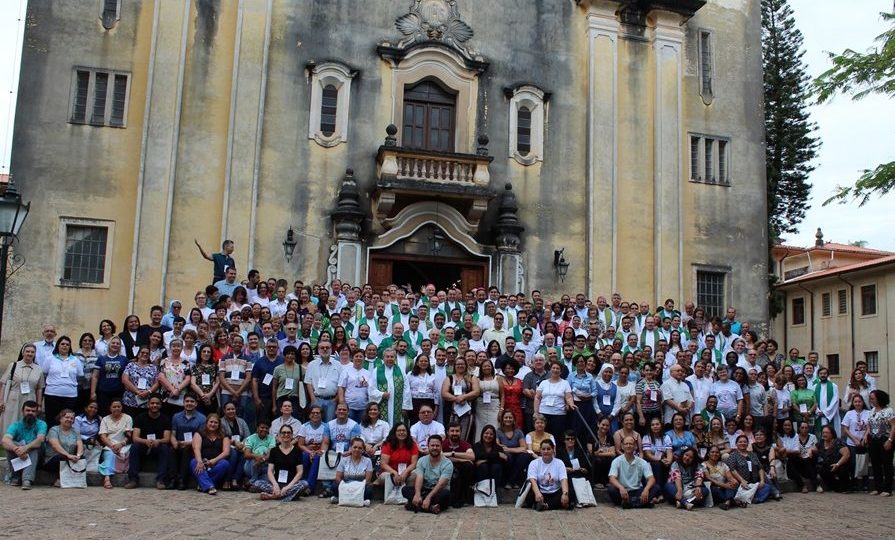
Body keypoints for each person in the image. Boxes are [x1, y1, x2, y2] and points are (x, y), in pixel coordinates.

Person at [252, 423, 310, 501]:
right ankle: (285, 495)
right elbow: (270, 471)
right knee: (257, 483)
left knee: (304, 484)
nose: (286, 434)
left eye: (288, 432)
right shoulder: (274, 451)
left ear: (292, 435)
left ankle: (273, 496)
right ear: (279, 435)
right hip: (276, 484)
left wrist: (287, 487)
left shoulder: (297, 451)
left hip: (291, 485)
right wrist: (275, 485)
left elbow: (300, 472)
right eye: (283, 432)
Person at [127, 394, 172, 490]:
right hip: (144, 445)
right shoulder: (140, 417)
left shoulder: (166, 419)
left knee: (165, 448)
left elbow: (167, 439)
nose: (154, 405)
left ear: (161, 405)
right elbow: (135, 437)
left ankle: (161, 480)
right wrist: (145, 441)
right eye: (152, 403)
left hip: (157, 445)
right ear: (148, 404)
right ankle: (133, 479)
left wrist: (158, 441)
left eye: (157, 403)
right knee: (134, 447)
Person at [0, 344, 44, 438]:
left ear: (35, 354)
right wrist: (1, 400)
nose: (30, 353)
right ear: (23, 352)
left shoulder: (38, 369)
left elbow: (40, 388)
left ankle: (23, 440)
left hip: (30, 397)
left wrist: (39, 404)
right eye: (27, 351)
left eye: (32, 352)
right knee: (10, 419)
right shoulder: (13, 365)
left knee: (26, 419)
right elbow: (3, 383)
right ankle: (7, 439)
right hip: (13, 396)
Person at [402, 434, 453, 514]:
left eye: (437, 446)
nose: (435, 448)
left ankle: (414, 505)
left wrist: (428, 497)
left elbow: (441, 484)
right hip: (425, 490)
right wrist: (418, 494)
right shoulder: (422, 460)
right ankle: (431, 508)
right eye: (432, 445)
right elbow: (419, 478)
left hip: (438, 491)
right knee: (405, 490)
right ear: (428, 446)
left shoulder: (448, 463)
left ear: (441, 446)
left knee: (446, 494)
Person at [1, 400, 47, 490]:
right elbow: (5, 440)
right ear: (23, 411)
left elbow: (40, 440)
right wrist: (16, 449)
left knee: (34, 447)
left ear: (36, 413)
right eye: (28, 410)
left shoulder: (41, 424)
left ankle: (27, 479)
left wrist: (25, 448)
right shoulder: (16, 424)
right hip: (20, 453)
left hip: (38, 456)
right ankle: (16, 476)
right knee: (9, 444)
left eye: (33, 411)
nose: (30, 413)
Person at [41, 336, 84, 427]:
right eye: (62, 344)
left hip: (70, 395)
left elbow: (80, 375)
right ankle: (51, 439)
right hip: (52, 394)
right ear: (58, 346)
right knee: (52, 419)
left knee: (67, 420)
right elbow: (44, 372)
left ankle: (65, 440)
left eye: (67, 344)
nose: (65, 346)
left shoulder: (76, 360)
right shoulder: (50, 358)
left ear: (70, 347)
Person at [608, 435, 660, 508]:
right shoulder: (616, 461)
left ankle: (629, 503)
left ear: (635, 446)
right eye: (626, 444)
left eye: (631, 444)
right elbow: (612, 478)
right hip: (623, 492)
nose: (628, 446)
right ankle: (642, 503)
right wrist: (621, 488)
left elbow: (651, 478)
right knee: (611, 489)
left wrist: (646, 490)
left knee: (656, 487)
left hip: (638, 490)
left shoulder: (642, 462)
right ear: (622, 446)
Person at [170, 394, 207, 490]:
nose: (189, 403)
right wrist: (174, 442)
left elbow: (202, 437)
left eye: (192, 401)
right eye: (187, 401)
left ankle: (183, 480)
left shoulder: (202, 418)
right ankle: (173, 479)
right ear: (183, 403)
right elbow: (173, 433)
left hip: (193, 446)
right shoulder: (176, 416)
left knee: (186, 451)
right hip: (178, 444)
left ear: (196, 404)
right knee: (171, 450)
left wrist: (189, 443)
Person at [191, 413, 231, 495]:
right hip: (202, 461)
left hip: (216, 463)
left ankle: (204, 484)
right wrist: (199, 461)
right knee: (193, 462)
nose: (213, 424)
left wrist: (214, 461)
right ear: (206, 423)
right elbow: (196, 448)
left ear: (219, 425)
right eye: (211, 422)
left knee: (225, 464)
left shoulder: (224, 435)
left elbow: (226, 452)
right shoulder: (199, 433)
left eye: (216, 422)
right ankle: (210, 486)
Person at [525, 439, 571, 511]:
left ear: (553, 450)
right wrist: (537, 493)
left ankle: (545, 506)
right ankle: (550, 505)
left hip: (555, 492)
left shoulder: (559, 463)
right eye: (543, 449)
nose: (546, 451)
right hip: (540, 491)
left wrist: (565, 494)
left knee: (569, 492)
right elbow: (532, 480)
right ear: (540, 450)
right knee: (530, 495)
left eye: (548, 449)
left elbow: (563, 479)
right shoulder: (534, 463)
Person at [42, 408, 84, 487]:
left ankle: (74, 480)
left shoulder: (75, 431)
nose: (69, 419)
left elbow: (80, 444)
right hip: (53, 460)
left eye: (72, 418)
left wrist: (78, 456)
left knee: (82, 457)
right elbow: (55, 445)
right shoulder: (54, 430)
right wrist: (68, 455)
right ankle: (60, 479)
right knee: (61, 457)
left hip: (69, 459)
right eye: (67, 417)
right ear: (60, 419)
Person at [97, 399, 133, 489]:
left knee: (128, 453)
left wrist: (121, 444)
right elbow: (103, 436)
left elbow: (129, 434)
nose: (116, 408)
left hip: (124, 445)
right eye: (114, 407)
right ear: (110, 408)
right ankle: (107, 478)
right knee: (109, 455)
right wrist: (112, 446)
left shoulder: (127, 418)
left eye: (118, 406)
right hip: (110, 445)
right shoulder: (105, 419)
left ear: (122, 407)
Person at [441, 356, 478, 442]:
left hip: (467, 412)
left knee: (465, 436)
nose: (460, 366)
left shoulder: (472, 377)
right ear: (454, 366)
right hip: (453, 412)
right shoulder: (449, 378)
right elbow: (444, 393)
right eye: (458, 364)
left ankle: (463, 453)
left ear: (466, 365)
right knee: (452, 435)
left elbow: (476, 391)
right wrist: (456, 399)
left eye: (462, 364)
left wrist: (464, 397)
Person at [726, 434, 771, 504]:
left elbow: (760, 467)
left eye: (745, 442)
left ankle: (755, 499)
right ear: (736, 444)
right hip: (741, 484)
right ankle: (745, 498)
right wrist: (742, 480)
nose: (742, 443)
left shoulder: (752, 454)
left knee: (767, 487)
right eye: (740, 442)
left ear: (747, 443)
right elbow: (732, 469)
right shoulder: (733, 455)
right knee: (732, 487)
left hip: (753, 484)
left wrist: (762, 480)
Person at [534, 362, 575, 437]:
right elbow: (537, 397)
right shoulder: (543, 383)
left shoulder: (565, 383)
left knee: (557, 436)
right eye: (553, 368)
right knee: (543, 436)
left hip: (559, 414)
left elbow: (569, 397)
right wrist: (536, 412)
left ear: (561, 371)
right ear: (550, 369)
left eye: (557, 368)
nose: (555, 370)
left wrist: (571, 404)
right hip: (543, 413)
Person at [331, 436, 374, 506]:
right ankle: (357, 500)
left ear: (363, 450)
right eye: (355, 447)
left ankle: (341, 499)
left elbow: (368, 479)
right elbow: (338, 477)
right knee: (334, 485)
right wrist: (346, 486)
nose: (357, 450)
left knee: (369, 488)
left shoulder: (367, 461)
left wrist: (357, 487)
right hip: (346, 486)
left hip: (360, 487)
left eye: (360, 448)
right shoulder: (344, 460)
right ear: (351, 448)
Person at [297, 404, 330, 494]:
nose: (315, 414)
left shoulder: (326, 426)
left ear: (322, 415)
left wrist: (319, 452)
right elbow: (300, 444)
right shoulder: (304, 426)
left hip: (320, 451)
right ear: (309, 415)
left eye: (318, 413)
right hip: (307, 450)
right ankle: (301, 483)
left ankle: (309, 487)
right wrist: (310, 451)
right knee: (305, 456)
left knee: (317, 458)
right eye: (313, 413)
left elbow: (326, 442)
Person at [90, 336, 127, 416]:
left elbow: (126, 377)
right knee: (103, 413)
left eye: (118, 344)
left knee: (117, 413)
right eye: (113, 343)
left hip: (118, 392)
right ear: (109, 345)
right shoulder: (101, 359)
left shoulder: (124, 359)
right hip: (103, 392)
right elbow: (95, 376)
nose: (115, 345)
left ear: (120, 347)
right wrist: (93, 392)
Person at [867, 389, 895, 496]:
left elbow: (893, 426)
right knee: (875, 464)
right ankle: (878, 487)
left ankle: (887, 489)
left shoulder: (889, 411)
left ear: (879, 399)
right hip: (873, 440)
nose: (871, 400)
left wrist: (890, 440)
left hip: (885, 438)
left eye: (873, 398)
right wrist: (866, 435)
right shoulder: (872, 411)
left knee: (886, 464)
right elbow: (869, 425)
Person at [841, 394, 870, 490]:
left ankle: (865, 484)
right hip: (852, 443)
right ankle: (854, 483)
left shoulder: (868, 413)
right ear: (853, 403)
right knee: (853, 463)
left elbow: (869, 427)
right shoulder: (849, 413)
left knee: (864, 462)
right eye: (855, 402)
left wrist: (865, 437)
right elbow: (845, 428)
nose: (858, 403)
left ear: (863, 402)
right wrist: (854, 439)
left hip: (864, 442)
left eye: (859, 401)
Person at [496, 409, 531, 489]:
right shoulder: (498, 431)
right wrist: (512, 450)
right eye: (506, 417)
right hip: (506, 457)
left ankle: (510, 481)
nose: (508, 419)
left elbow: (524, 447)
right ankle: (513, 481)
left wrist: (509, 449)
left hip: (517, 457)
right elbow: (498, 446)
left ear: (514, 420)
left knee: (525, 456)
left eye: (510, 418)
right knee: (508, 456)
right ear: (502, 419)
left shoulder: (518, 432)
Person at [220, 400, 251, 489]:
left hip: (241, 446)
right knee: (233, 454)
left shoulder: (241, 421)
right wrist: (233, 442)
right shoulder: (221, 422)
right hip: (227, 445)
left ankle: (235, 479)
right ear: (224, 411)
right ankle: (227, 480)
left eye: (232, 409)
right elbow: (221, 436)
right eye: (228, 409)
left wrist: (242, 444)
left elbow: (248, 436)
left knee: (245, 454)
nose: (231, 411)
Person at [379, 422, 419, 490]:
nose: (401, 432)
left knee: (415, 475)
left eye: (403, 430)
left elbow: (414, 463)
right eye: (399, 430)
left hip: (407, 472)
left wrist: (405, 472)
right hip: (391, 472)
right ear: (394, 432)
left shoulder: (412, 444)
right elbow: (383, 464)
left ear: (407, 432)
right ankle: (393, 496)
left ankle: (408, 495)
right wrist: (394, 473)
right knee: (384, 477)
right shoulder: (387, 444)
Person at [121, 346, 159, 418]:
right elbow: (124, 379)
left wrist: (148, 392)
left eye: (147, 353)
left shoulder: (153, 367)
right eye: (142, 352)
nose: (145, 354)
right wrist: (137, 391)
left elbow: (157, 383)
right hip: (130, 400)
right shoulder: (130, 365)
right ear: (138, 354)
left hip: (146, 401)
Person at [337, 349, 372, 424]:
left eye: (361, 356)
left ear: (364, 358)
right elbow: (341, 387)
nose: (358, 358)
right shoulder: (346, 371)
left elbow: (371, 390)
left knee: (362, 428)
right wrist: (341, 402)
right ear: (352, 358)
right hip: (349, 407)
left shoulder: (368, 373)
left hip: (363, 407)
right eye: (356, 356)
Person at [700, 445, 740, 510]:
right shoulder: (703, 465)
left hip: (725, 488)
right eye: (712, 452)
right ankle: (733, 501)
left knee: (733, 485)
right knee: (714, 489)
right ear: (708, 454)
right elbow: (709, 478)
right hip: (713, 487)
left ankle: (727, 502)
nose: (715, 454)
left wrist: (733, 481)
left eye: (717, 452)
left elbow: (730, 477)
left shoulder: (723, 464)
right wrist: (725, 485)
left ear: (719, 454)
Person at [816, 424, 849, 493]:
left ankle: (846, 486)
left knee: (842, 469)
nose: (824, 434)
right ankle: (836, 488)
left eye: (826, 432)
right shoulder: (821, 442)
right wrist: (810, 450)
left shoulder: (838, 442)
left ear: (832, 434)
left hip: (839, 464)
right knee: (822, 470)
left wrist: (837, 464)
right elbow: (814, 448)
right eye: (823, 432)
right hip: (828, 466)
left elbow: (846, 454)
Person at [642, 417, 673, 489]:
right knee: (657, 465)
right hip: (651, 461)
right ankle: (659, 490)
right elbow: (648, 454)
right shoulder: (647, 437)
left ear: (661, 425)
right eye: (653, 425)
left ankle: (668, 488)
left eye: (657, 424)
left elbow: (669, 452)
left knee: (670, 464)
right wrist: (660, 460)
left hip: (663, 460)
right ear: (650, 427)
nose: (655, 426)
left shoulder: (666, 437)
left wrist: (669, 461)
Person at [474, 359, 501, 442]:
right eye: (484, 366)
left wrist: (502, 409)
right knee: (480, 428)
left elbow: (502, 395)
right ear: (481, 368)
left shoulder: (498, 378)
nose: (486, 368)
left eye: (488, 366)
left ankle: (494, 449)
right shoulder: (477, 379)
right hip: (480, 406)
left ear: (492, 367)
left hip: (494, 405)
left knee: (495, 427)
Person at [243, 419, 277, 485]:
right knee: (255, 460)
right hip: (251, 466)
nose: (264, 430)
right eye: (262, 427)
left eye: (266, 428)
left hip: (264, 466)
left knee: (269, 479)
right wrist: (257, 456)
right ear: (257, 428)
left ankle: (252, 483)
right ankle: (253, 480)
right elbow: (246, 454)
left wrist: (262, 460)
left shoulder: (271, 438)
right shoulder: (251, 438)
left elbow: (270, 454)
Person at [473, 424, 507, 488]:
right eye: (486, 433)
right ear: (482, 434)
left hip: (494, 474)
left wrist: (485, 460)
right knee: (483, 466)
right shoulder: (476, 446)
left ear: (494, 436)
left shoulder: (498, 448)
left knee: (496, 466)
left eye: (491, 434)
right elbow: (478, 455)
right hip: (480, 474)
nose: (488, 436)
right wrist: (497, 454)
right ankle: (482, 488)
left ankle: (494, 490)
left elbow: (501, 460)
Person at [587, 417, 617, 487]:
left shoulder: (609, 437)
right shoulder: (591, 435)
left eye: (607, 425)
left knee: (612, 460)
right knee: (599, 460)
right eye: (603, 425)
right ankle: (596, 482)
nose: (605, 427)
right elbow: (591, 452)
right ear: (598, 424)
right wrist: (605, 452)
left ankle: (608, 481)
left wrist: (599, 453)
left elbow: (613, 453)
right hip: (594, 458)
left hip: (605, 457)